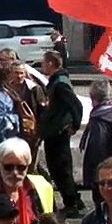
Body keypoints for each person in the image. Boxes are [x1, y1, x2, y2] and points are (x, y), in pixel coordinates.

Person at [38, 51, 85, 215]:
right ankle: (74, 200)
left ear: (51, 63)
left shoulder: (60, 83)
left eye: (44, 63)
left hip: (58, 132)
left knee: (61, 168)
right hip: (53, 131)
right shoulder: (55, 81)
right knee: (57, 168)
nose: (42, 65)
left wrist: (75, 125)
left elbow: (76, 104)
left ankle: (71, 203)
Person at [82, 79, 112, 205]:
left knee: (104, 206)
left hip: (105, 173)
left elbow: (96, 150)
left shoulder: (99, 120)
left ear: (93, 98)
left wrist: (93, 177)